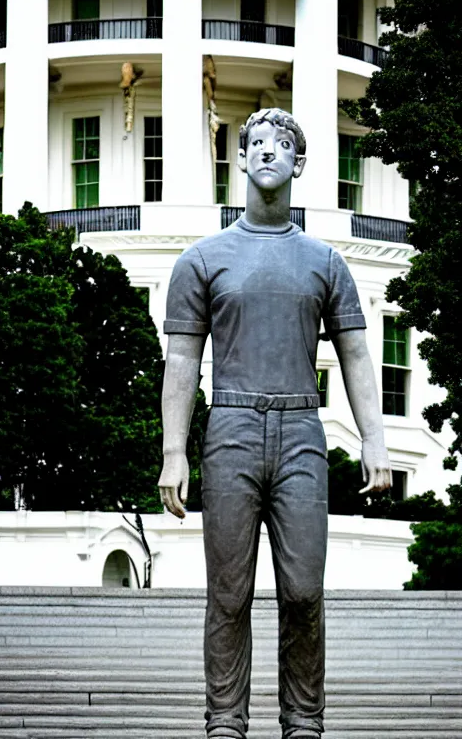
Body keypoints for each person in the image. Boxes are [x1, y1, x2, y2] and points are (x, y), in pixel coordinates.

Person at [157, 108, 391, 739]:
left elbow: (357, 355)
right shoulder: (202, 259)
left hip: (300, 433)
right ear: (239, 159)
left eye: (280, 144)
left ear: (299, 163)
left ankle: (303, 724)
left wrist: (374, 440)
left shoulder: (326, 263)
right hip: (230, 428)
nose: (266, 152)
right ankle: (226, 722)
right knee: (228, 596)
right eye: (255, 143)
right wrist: (173, 452)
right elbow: (181, 358)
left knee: (304, 593)